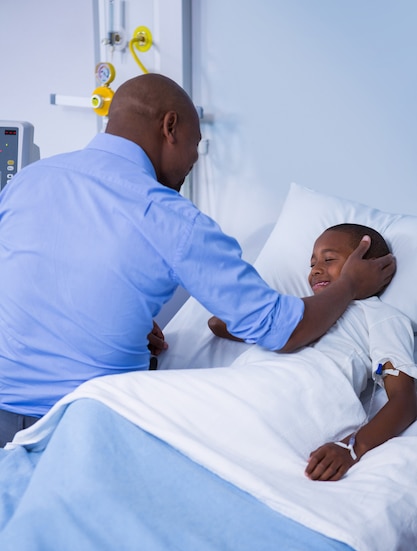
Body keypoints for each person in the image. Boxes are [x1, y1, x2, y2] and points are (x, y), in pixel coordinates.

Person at [0, 73, 395, 445]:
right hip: (80, 426)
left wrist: (120, 314)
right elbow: (283, 331)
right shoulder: (173, 219)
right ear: (170, 127)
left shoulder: (28, 181)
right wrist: (350, 285)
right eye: (196, 143)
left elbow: (32, 269)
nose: (194, 159)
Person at [210, 223, 417, 481]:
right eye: (312, 264)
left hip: (303, 392)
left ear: (369, 266)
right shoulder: (300, 308)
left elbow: (405, 400)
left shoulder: (380, 316)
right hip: (248, 382)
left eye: (329, 259)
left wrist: (353, 447)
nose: (316, 270)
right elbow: (218, 323)